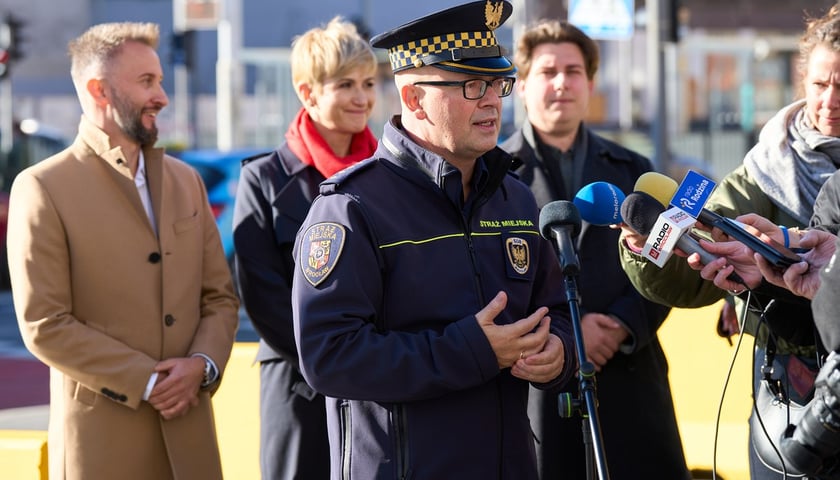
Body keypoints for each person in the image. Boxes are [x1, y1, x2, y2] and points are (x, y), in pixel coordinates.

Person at [290, 2, 577, 479]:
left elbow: (557, 308)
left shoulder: (516, 200)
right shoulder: (351, 208)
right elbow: (329, 356)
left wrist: (559, 353)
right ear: (416, 98)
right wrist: (470, 352)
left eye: (497, 84)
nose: (491, 101)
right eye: (471, 85)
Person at [6, 22, 239, 480]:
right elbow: (44, 324)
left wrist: (202, 365)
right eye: (147, 82)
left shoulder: (185, 180)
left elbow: (220, 298)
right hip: (102, 448)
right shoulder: (41, 187)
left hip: (191, 440)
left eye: (161, 81)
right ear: (100, 90)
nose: (162, 97)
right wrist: (148, 381)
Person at [619, 4, 840, 478]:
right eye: (821, 84)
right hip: (792, 389)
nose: (829, 101)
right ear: (802, 80)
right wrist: (650, 248)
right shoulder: (763, 169)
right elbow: (698, 275)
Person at [499, 19, 689, 479]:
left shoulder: (636, 170)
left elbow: (665, 264)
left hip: (630, 378)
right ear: (522, 85)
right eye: (547, 72)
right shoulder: (495, 179)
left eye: (573, 70)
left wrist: (621, 325)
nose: (561, 82)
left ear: (590, 82)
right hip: (542, 386)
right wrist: (570, 334)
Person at [232, 16, 378, 480]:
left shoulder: (387, 175)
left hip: (380, 378)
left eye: (369, 83)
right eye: (345, 84)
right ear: (307, 92)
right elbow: (261, 291)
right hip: (299, 381)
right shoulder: (264, 179)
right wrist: (334, 358)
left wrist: (377, 360)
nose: (362, 97)